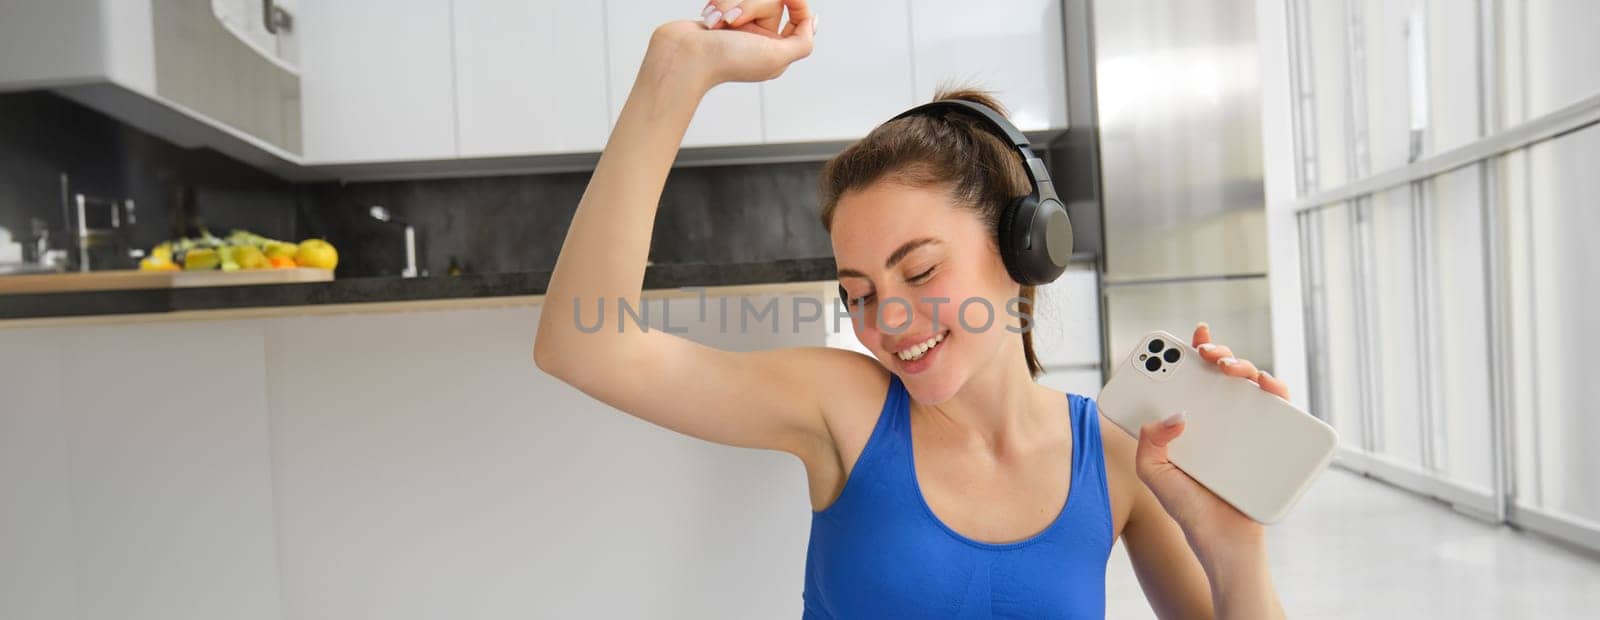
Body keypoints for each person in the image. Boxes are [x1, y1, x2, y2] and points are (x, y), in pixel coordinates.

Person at [535, 1, 1289, 617]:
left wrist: (1235, 549)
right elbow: (582, 343)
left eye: (920, 269)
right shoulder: (843, 411)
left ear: (1022, 246)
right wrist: (678, 67)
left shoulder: (1119, 457)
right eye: (857, 293)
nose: (887, 322)